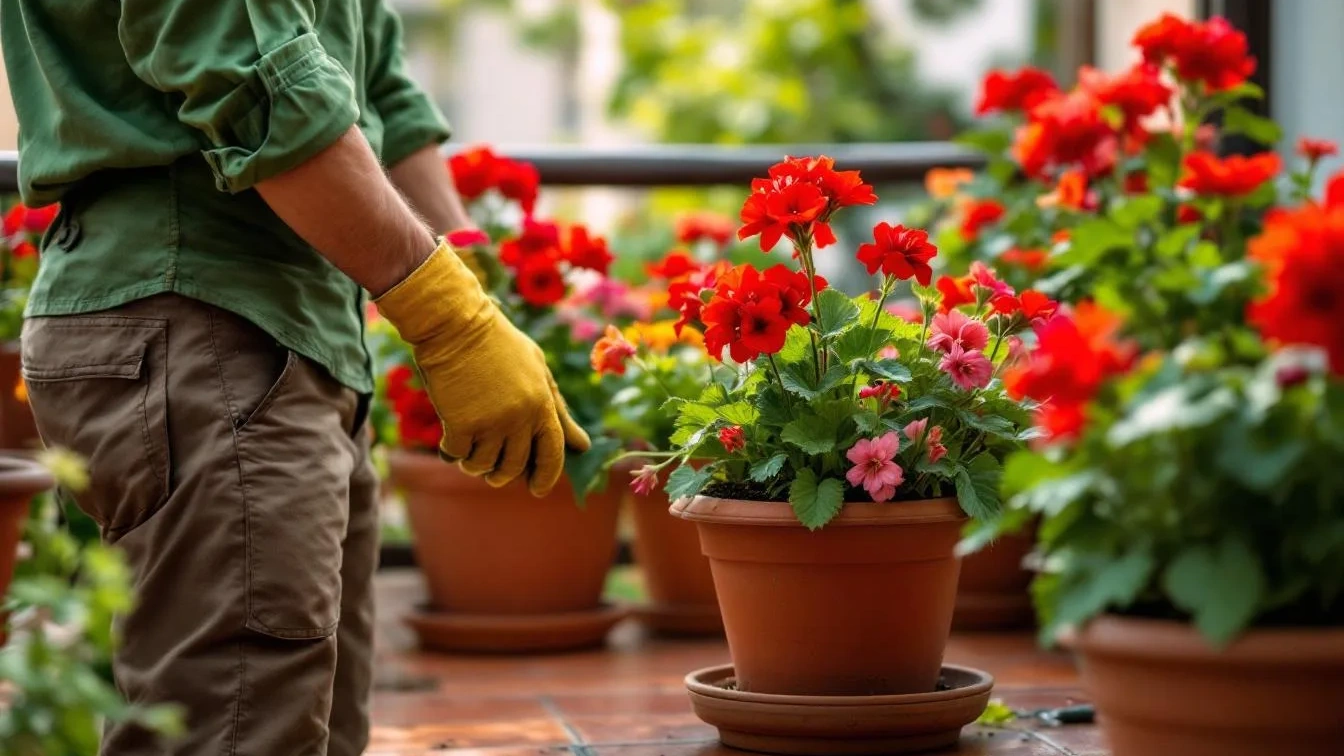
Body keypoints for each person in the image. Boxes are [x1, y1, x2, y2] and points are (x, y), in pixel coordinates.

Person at [0, 0, 590, 753]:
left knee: (293, 719)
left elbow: (379, 85)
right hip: (209, 319)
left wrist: (474, 293)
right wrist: (449, 319)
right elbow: (261, 87)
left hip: (274, 338)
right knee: (239, 726)